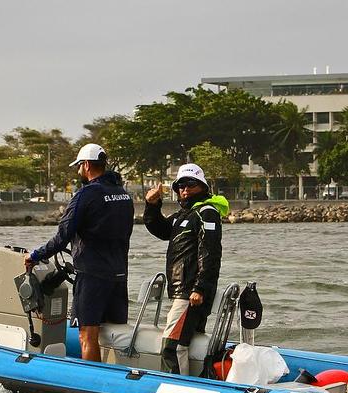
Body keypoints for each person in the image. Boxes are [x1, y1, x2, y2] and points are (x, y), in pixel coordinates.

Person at [25, 143, 133, 362]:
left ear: (86, 165)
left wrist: (35, 256)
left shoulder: (86, 194)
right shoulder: (123, 195)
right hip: (119, 274)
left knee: (87, 335)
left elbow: (63, 235)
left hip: (92, 275)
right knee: (115, 334)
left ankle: (92, 383)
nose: (78, 171)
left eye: (79, 166)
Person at [143, 163, 230, 375]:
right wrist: (152, 205)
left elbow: (210, 253)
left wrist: (200, 288)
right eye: (180, 185)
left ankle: (176, 391)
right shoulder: (184, 215)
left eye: (190, 184)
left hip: (191, 293)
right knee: (182, 343)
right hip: (183, 292)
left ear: (202, 186)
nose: (184, 189)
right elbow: (162, 230)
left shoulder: (206, 213)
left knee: (172, 346)